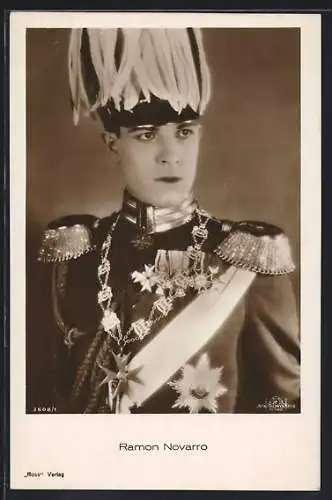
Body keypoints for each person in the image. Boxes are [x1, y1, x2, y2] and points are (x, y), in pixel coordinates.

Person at [37, 27, 300, 414]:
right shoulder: (73, 258)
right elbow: (44, 404)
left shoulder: (251, 261)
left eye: (184, 132)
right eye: (146, 135)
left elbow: (283, 405)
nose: (170, 154)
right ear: (113, 143)